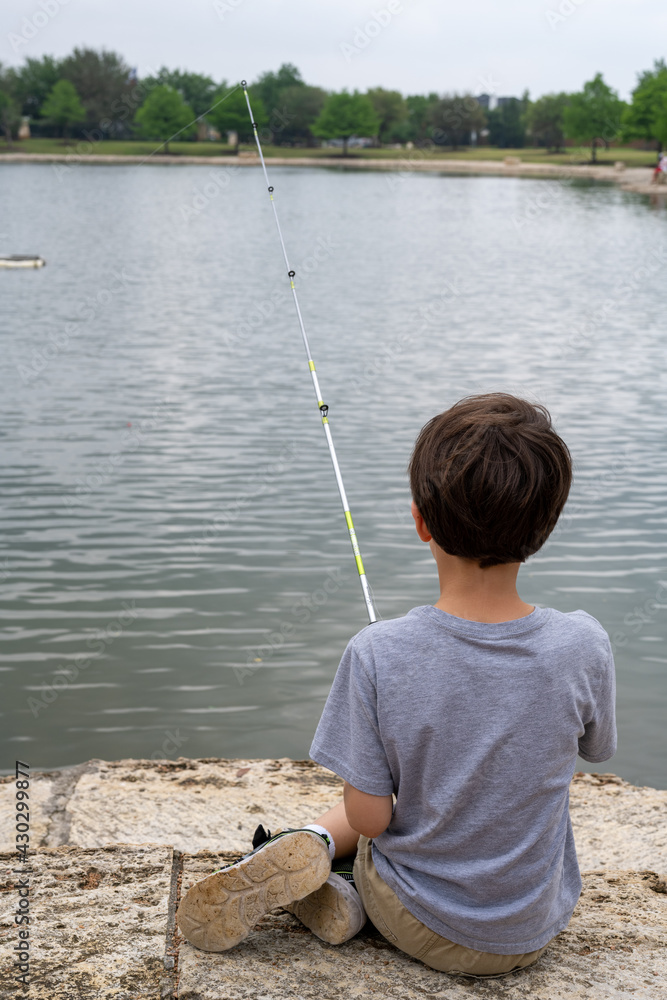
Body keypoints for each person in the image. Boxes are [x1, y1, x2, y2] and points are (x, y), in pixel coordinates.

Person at [177, 393, 617, 977]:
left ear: (419, 521)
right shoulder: (583, 643)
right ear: (546, 525)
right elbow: (598, 750)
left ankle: (328, 871)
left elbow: (371, 820)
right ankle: (335, 883)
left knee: (372, 832)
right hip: (530, 930)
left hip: (417, 924)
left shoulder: (377, 652)